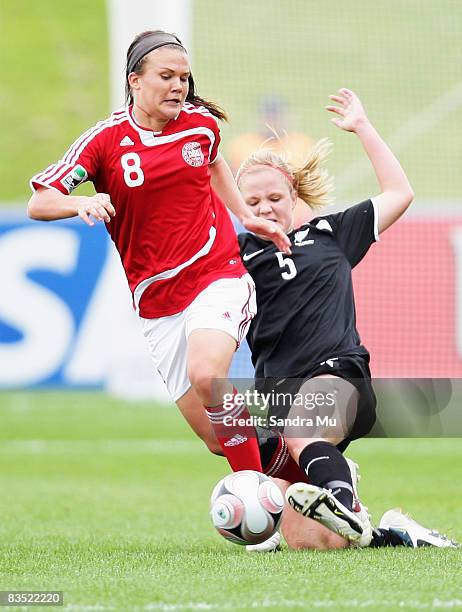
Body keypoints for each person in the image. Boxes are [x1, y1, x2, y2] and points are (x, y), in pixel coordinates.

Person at [27, 29, 292, 476]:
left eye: (184, 78)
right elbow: (40, 201)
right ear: (135, 80)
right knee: (216, 439)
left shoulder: (200, 125)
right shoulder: (105, 140)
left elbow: (214, 161)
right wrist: (81, 201)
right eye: (166, 76)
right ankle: (310, 475)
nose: (179, 87)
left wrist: (244, 216)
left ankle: (254, 498)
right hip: (156, 304)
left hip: (217, 274)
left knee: (208, 376)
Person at [236, 88, 458, 550]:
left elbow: (400, 193)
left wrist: (362, 127)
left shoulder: (331, 234)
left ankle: (340, 493)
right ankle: (395, 534)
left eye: (274, 196)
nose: (264, 208)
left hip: (341, 376)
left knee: (302, 428)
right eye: (251, 202)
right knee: (313, 543)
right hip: (279, 395)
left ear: (292, 193)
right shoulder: (233, 257)